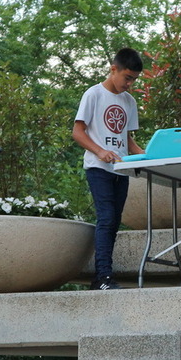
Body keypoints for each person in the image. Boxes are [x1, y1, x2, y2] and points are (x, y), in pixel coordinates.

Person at [72, 48, 145, 290]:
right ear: (114, 69)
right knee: (106, 218)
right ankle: (103, 276)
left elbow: (127, 139)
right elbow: (77, 132)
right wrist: (100, 151)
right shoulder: (93, 94)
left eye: (134, 79)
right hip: (98, 168)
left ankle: (102, 276)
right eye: (127, 77)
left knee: (115, 221)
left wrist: (148, 156)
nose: (130, 84)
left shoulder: (129, 101)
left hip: (120, 171)